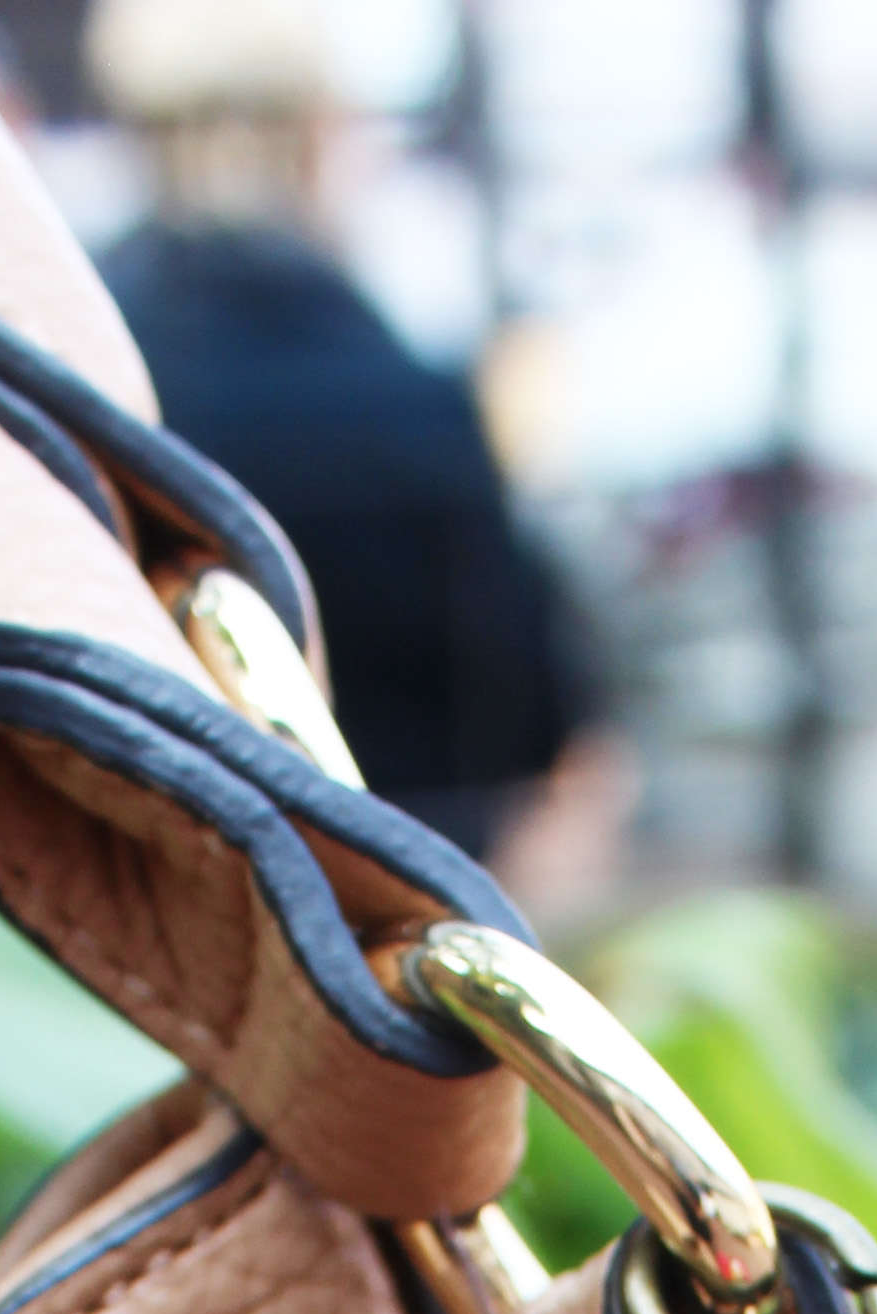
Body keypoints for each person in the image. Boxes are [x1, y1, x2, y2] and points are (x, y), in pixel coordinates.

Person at [84, 0, 580, 856]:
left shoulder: (76, 377)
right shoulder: (414, 400)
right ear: (317, 135)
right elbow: (536, 735)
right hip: (393, 893)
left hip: (117, 889)